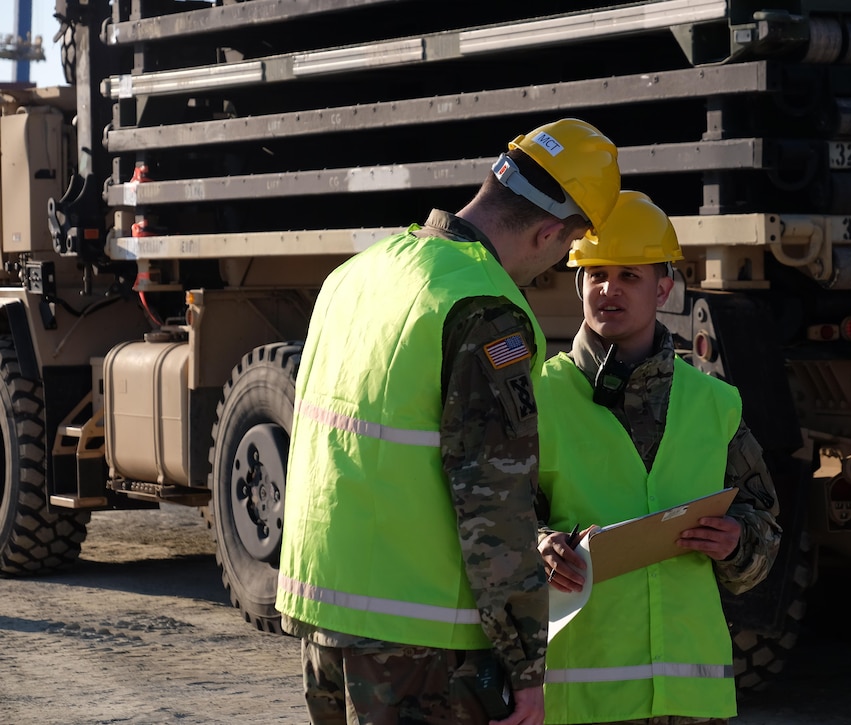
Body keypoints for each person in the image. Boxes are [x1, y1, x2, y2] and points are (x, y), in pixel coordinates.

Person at [275, 118, 622, 725]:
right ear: (547, 234)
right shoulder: (481, 305)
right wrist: (526, 665)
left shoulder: (358, 273)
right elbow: (493, 501)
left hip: (324, 619)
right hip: (422, 640)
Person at [534, 191, 782, 724]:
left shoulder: (714, 403)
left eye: (629, 275)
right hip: (582, 700)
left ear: (663, 287)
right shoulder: (539, 396)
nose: (609, 290)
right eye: (596, 274)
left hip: (690, 702)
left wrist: (738, 542)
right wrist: (539, 547)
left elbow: (763, 524)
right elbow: (486, 521)